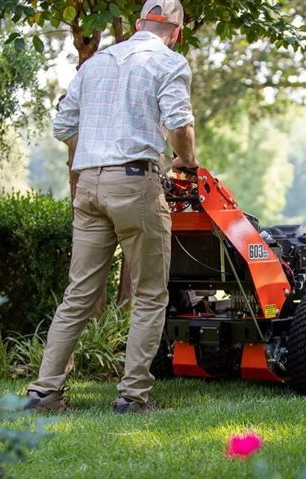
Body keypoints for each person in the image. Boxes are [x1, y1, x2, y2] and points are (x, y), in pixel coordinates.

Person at [26, 0, 198, 414]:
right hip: (135, 185)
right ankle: (132, 396)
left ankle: (45, 392)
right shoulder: (169, 63)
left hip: (88, 185)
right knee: (151, 294)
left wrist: (90, 156)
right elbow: (179, 125)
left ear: (138, 23)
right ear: (175, 32)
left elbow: (64, 126)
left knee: (79, 294)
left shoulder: (96, 63)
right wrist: (187, 162)